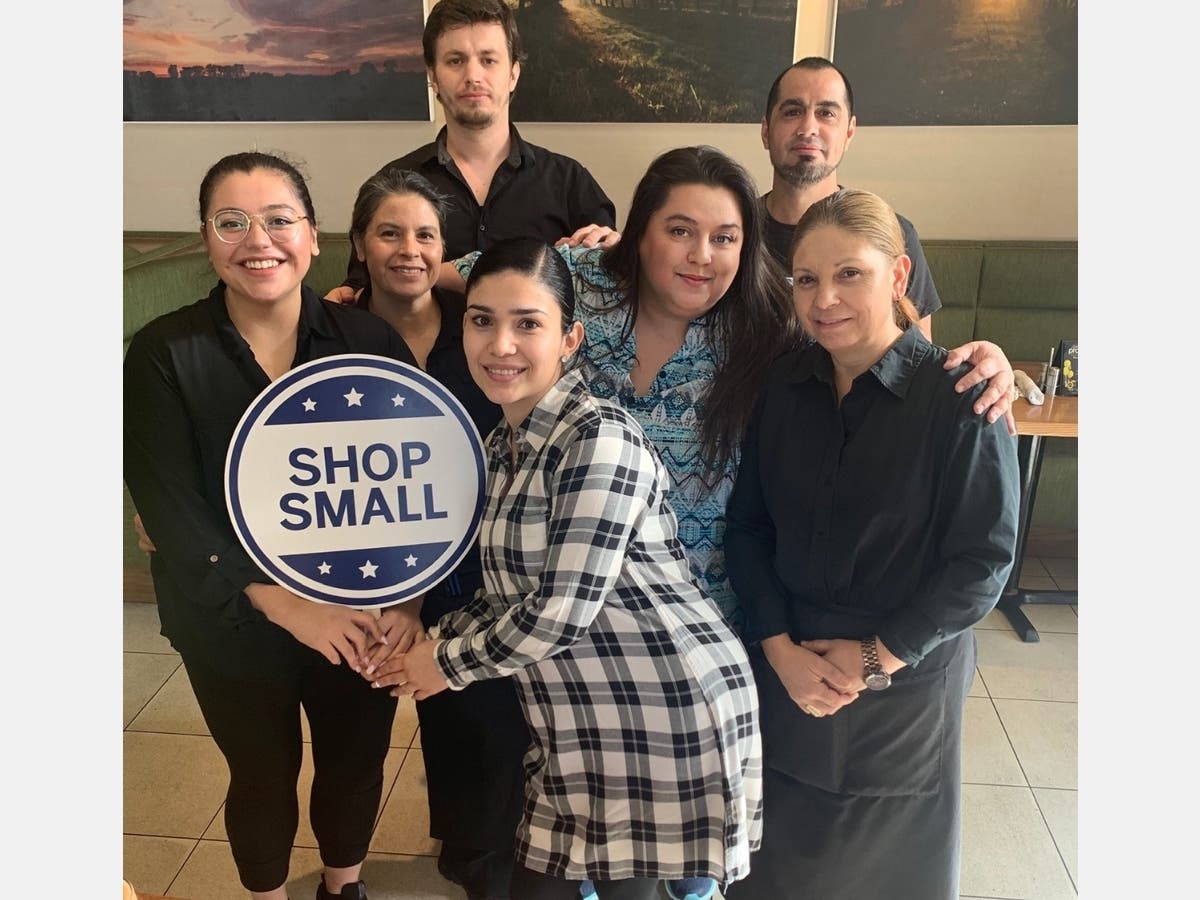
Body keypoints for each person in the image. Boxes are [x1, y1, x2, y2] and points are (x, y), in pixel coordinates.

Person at [448, 145, 1015, 900]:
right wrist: (355, 302)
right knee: (598, 834)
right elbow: (453, 276)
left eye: (725, 238)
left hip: (714, 626)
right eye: (677, 230)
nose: (701, 255)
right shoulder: (586, 285)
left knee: (741, 853)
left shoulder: (766, 334)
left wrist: (990, 362)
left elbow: (980, 549)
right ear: (636, 232)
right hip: (579, 624)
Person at [367, 237, 763, 900]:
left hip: (662, 714)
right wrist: (420, 641)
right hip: (580, 719)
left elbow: (559, 613)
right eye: (483, 320)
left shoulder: (598, 436)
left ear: (570, 338)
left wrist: (442, 664)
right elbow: (505, 594)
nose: (501, 346)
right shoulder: (502, 443)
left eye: (528, 324)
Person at [123, 151, 421, 900]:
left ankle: (341, 887)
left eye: (280, 219)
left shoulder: (370, 343)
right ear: (205, 238)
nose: (259, 239)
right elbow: (169, 508)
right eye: (232, 221)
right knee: (261, 772)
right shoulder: (164, 352)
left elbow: (416, 489)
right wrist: (285, 604)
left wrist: (406, 602)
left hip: (359, 608)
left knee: (356, 763)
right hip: (226, 616)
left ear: (313, 237)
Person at [722, 188, 1021, 899]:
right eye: (806, 279)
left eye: (849, 273)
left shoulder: (961, 396)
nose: (824, 298)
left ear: (898, 276)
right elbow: (748, 528)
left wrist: (874, 657)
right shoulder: (782, 387)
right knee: (780, 868)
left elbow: (983, 562)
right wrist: (778, 649)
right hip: (790, 666)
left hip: (902, 684)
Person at [347, 165, 528, 900]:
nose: (409, 249)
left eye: (426, 234)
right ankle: (460, 843)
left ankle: (490, 859)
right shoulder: (330, 336)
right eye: (389, 232)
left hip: (482, 568)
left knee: (487, 716)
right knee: (436, 720)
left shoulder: (478, 331)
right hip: (374, 572)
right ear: (360, 244)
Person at [327, 0, 617, 305]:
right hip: (416, 353)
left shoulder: (571, 183)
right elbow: (361, 291)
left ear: (513, 74)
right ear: (433, 77)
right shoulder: (392, 185)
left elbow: (604, 290)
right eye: (455, 61)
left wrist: (619, 255)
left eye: (488, 60)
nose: (473, 76)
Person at [760, 56, 942, 340]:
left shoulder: (891, 234)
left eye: (827, 113)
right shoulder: (732, 233)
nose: (808, 128)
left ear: (849, 132)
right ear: (766, 131)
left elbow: (919, 364)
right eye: (792, 111)